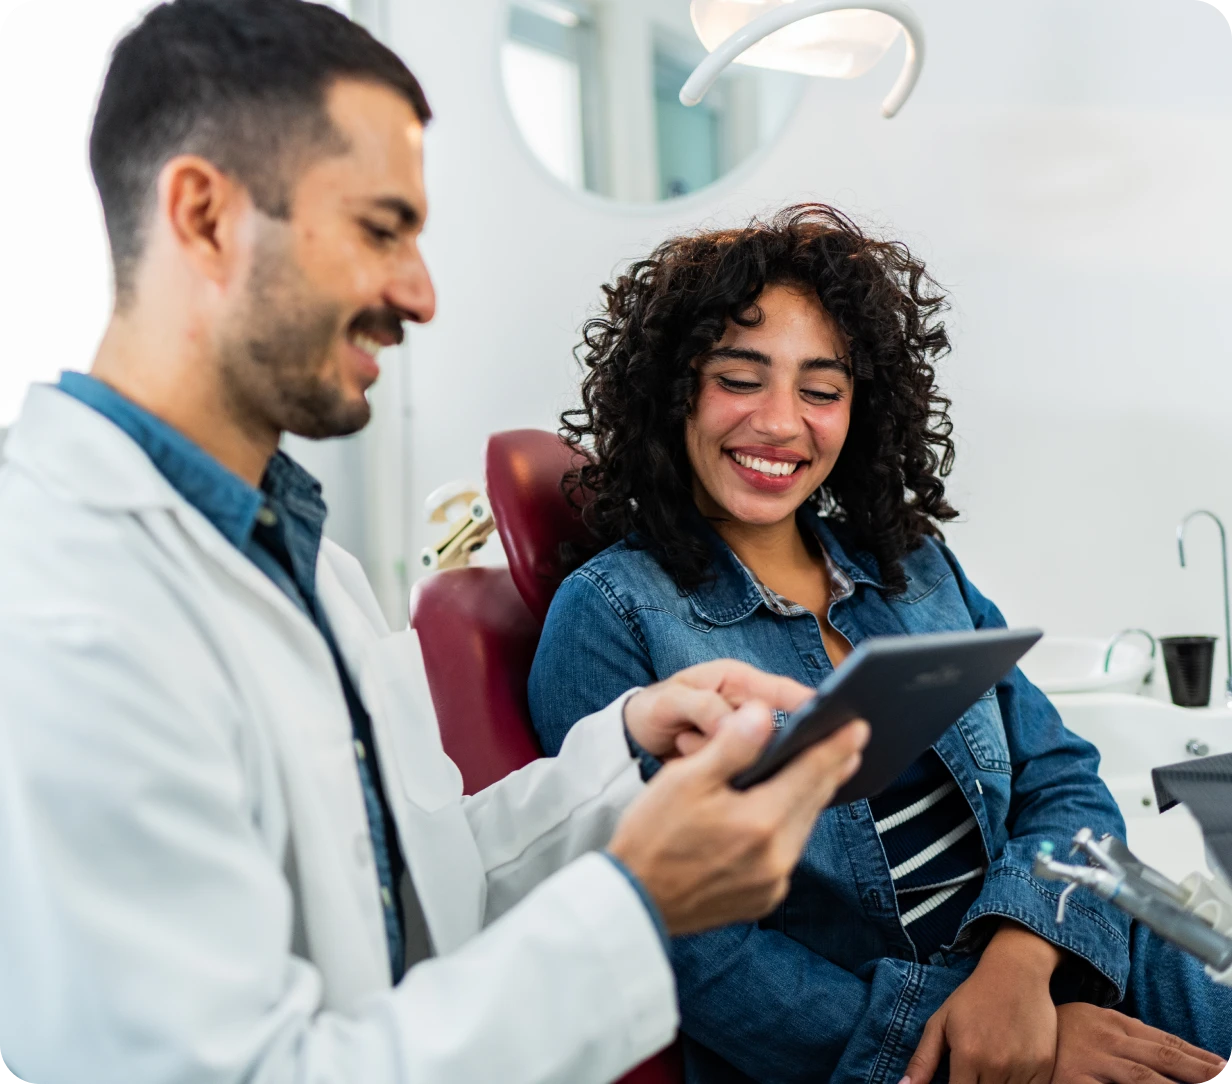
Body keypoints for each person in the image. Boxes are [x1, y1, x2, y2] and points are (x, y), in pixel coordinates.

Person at [0, 7, 873, 1084]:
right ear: (204, 215)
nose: (420, 292)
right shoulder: (59, 604)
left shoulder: (303, 555)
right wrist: (635, 907)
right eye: (380, 229)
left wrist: (627, 753)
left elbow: (422, 882)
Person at [529, 205, 1232, 1084]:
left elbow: (1062, 778)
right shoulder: (611, 618)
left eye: (821, 390)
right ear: (672, 391)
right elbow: (686, 944)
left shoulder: (915, 569)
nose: (782, 423)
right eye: (740, 379)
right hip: (891, 1044)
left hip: (1069, 954)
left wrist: (1021, 965)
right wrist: (997, 1043)